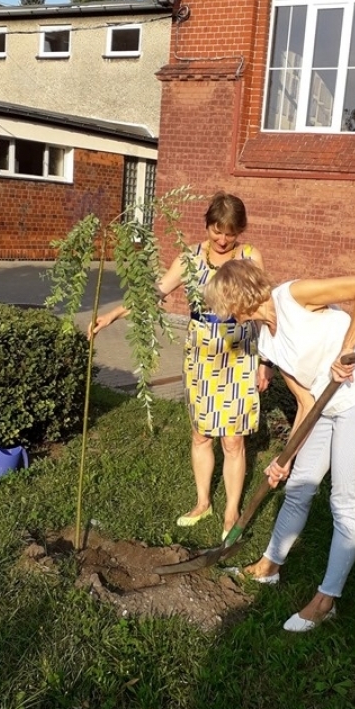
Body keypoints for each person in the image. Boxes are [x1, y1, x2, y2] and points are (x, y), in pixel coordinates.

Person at [203, 262, 355, 632]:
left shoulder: (293, 296)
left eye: (222, 305)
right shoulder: (267, 341)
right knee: (298, 486)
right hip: (325, 404)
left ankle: (326, 599)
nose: (222, 315)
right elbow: (305, 403)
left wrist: (347, 349)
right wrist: (283, 459)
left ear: (237, 298)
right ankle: (269, 566)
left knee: (344, 500)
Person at [88, 193, 268, 538]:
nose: (223, 239)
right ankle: (203, 502)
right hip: (201, 356)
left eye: (230, 232)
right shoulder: (191, 258)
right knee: (201, 434)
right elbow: (155, 291)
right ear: (208, 225)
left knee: (233, 441)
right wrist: (112, 314)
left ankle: (231, 512)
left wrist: (267, 362)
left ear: (239, 231)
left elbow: (264, 308)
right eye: (217, 231)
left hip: (239, 355)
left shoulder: (249, 257)